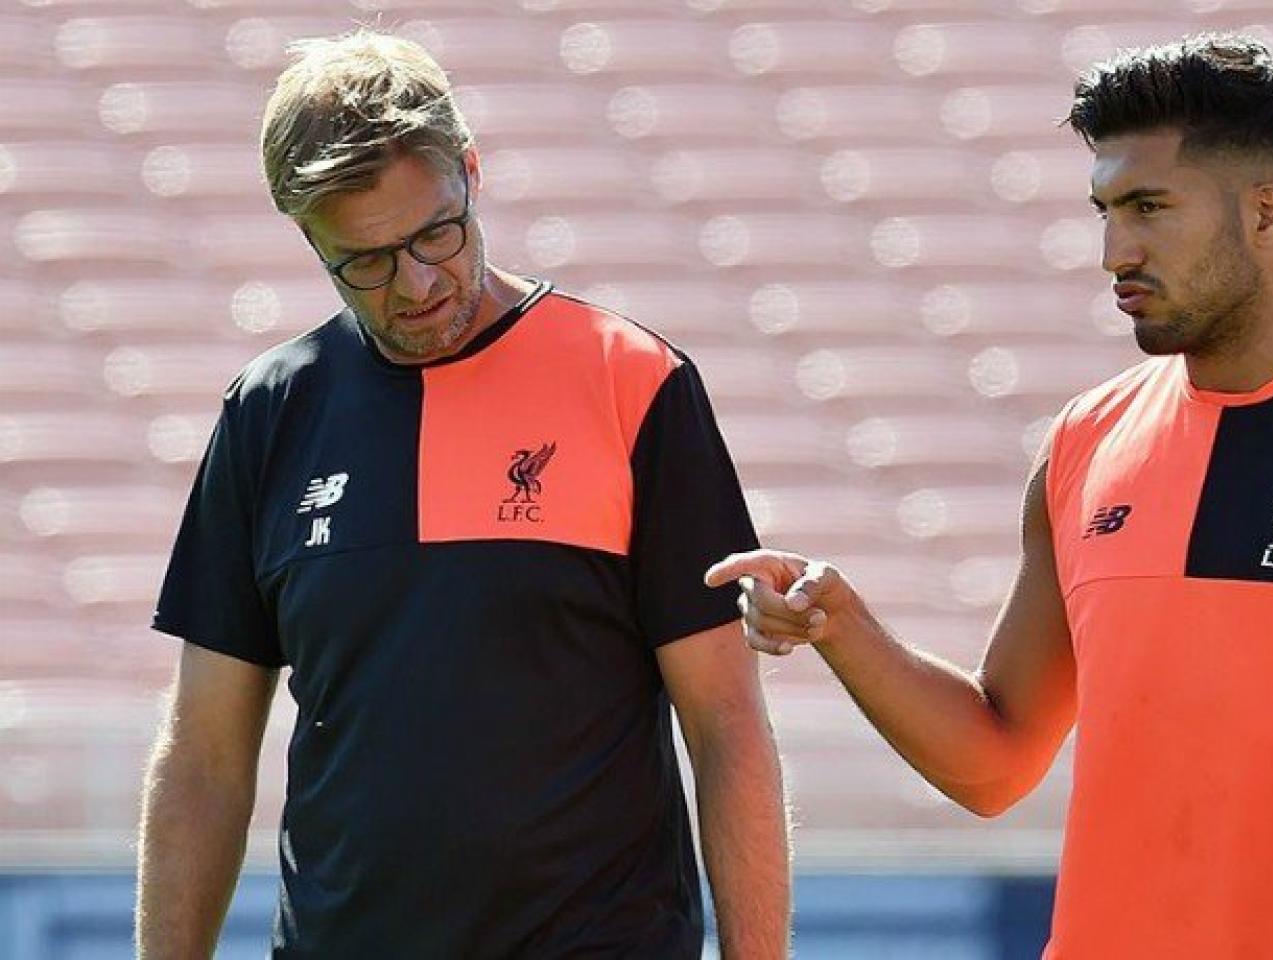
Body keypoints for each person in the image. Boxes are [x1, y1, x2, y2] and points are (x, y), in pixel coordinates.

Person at [709, 34, 1273, 958]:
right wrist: (844, 625)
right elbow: (996, 760)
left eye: (1149, 207)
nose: (1116, 250)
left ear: (1266, 214)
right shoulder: (1084, 442)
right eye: (1105, 210)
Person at [138, 29, 788, 959]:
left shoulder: (631, 381)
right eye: (364, 259)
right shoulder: (269, 412)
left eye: (436, 233)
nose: (417, 283)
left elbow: (726, 729)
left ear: (472, 173)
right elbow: (202, 757)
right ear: (308, 238)